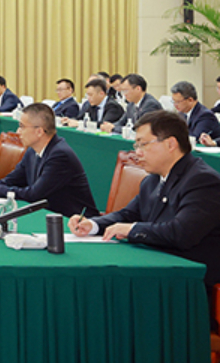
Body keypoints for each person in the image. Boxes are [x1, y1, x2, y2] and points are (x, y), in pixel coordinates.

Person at [69, 111, 220, 287]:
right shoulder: (152, 179)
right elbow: (127, 214)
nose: (137, 153)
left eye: (143, 145)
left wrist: (131, 230)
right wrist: (93, 225)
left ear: (171, 144)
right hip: (158, 267)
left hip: (189, 281)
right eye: (136, 145)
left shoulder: (202, 180)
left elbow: (182, 233)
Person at [0, 103, 98, 217]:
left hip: (76, 223)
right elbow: (10, 180)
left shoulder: (60, 155)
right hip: (48, 216)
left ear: (39, 131)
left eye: (22, 126)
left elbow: (33, 195)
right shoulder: (32, 151)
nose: (18, 131)